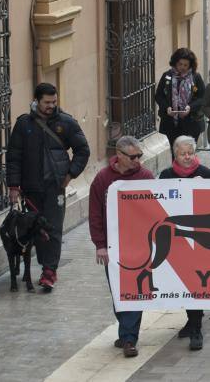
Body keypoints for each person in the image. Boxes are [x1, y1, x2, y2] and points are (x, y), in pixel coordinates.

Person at [7, 82, 90, 291]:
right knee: (35, 230)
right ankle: (37, 267)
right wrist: (13, 186)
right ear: (36, 101)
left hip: (55, 188)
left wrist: (70, 174)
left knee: (52, 228)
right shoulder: (24, 124)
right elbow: (14, 157)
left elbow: (83, 150)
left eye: (54, 102)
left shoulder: (66, 123)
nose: (51, 106)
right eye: (47, 102)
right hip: (30, 189)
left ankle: (49, 271)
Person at [88, 136, 154, 358]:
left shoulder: (145, 177)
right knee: (118, 292)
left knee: (133, 291)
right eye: (133, 157)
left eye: (140, 156)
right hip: (113, 246)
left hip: (140, 245)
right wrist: (100, 245)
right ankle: (126, 330)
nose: (138, 160)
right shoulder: (102, 179)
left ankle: (129, 338)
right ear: (120, 155)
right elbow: (95, 213)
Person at [158, 135, 210, 349]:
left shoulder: (206, 174)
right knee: (182, 281)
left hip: (200, 238)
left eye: (190, 153)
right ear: (175, 154)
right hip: (177, 238)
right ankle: (191, 321)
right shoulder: (165, 176)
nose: (187, 157)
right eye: (183, 154)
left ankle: (196, 328)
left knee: (196, 282)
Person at [155, 48, 206, 148]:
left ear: (190, 65)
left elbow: (203, 97)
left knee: (188, 152)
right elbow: (159, 96)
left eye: (185, 65)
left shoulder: (196, 77)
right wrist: (167, 108)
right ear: (175, 63)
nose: (182, 67)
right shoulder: (167, 76)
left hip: (191, 122)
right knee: (175, 151)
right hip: (171, 123)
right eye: (180, 64)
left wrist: (190, 107)